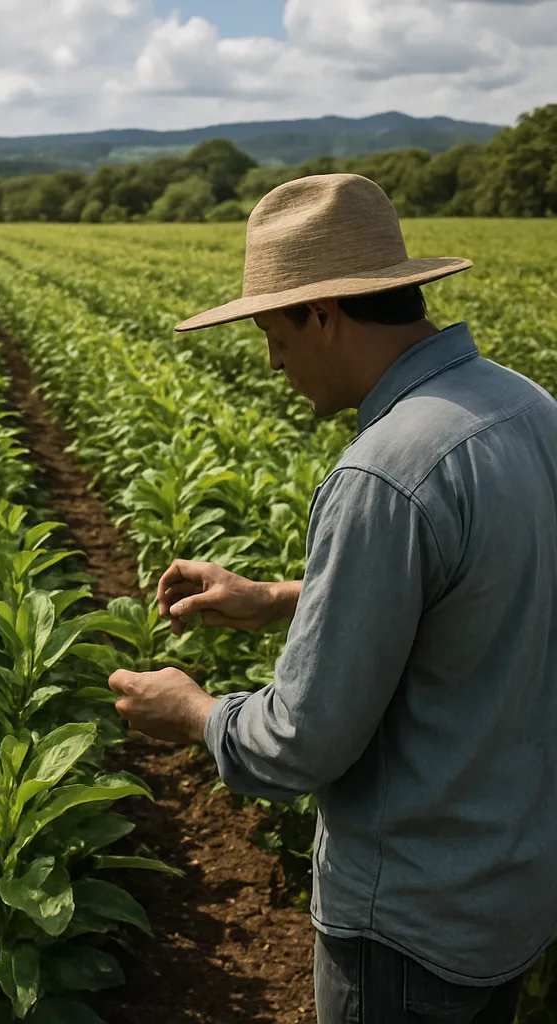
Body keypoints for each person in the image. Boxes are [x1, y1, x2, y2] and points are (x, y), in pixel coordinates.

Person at [107, 173, 557, 1023]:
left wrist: (196, 712)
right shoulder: (524, 407)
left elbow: (302, 743)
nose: (271, 361)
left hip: (407, 925)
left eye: (273, 332)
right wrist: (279, 596)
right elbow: (478, 586)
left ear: (324, 314)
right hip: (513, 891)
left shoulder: (384, 471)